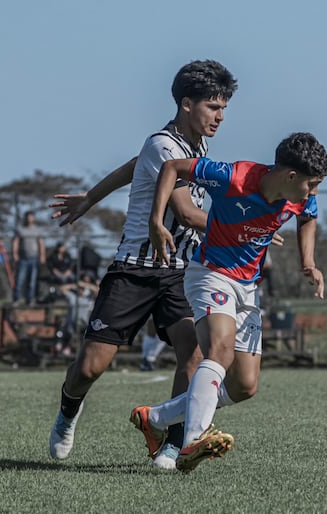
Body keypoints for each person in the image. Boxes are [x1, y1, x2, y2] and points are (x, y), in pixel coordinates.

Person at [47, 60, 239, 469]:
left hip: (181, 271)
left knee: (196, 349)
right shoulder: (163, 144)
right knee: (89, 367)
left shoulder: (197, 146)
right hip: (135, 268)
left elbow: (131, 168)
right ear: (186, 104)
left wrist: (88, 197)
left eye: (223, 107)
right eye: (212, 107)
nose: (220, 116)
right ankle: (68, 410)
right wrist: (244, 228)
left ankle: (171, 445)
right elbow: (186, 213)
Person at [131, 132, 327, 472]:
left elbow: (308, 218)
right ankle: (191, 441)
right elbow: (171, 167)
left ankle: (156, 417)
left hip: (248, 287)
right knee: (219, 353)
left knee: (244, 386)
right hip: (210, 273)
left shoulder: (300, 196)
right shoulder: (233, 176)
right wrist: (155, 220)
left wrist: (307, 262)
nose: (314, 192)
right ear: (290, 176)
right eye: (312, 184)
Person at [12, 211, 46, 306]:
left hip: (34, 259)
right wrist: (15, 254)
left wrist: (42, 255)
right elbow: (16, 242)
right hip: (23, 259)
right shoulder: (20, 229)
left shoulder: (38, 230)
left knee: (32, 281)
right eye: (28, 217)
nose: (29, 219)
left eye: (31, 217)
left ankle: (30, 300)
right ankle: (16, 299)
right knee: (20, 280)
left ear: (33, 218)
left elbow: (41, 243)